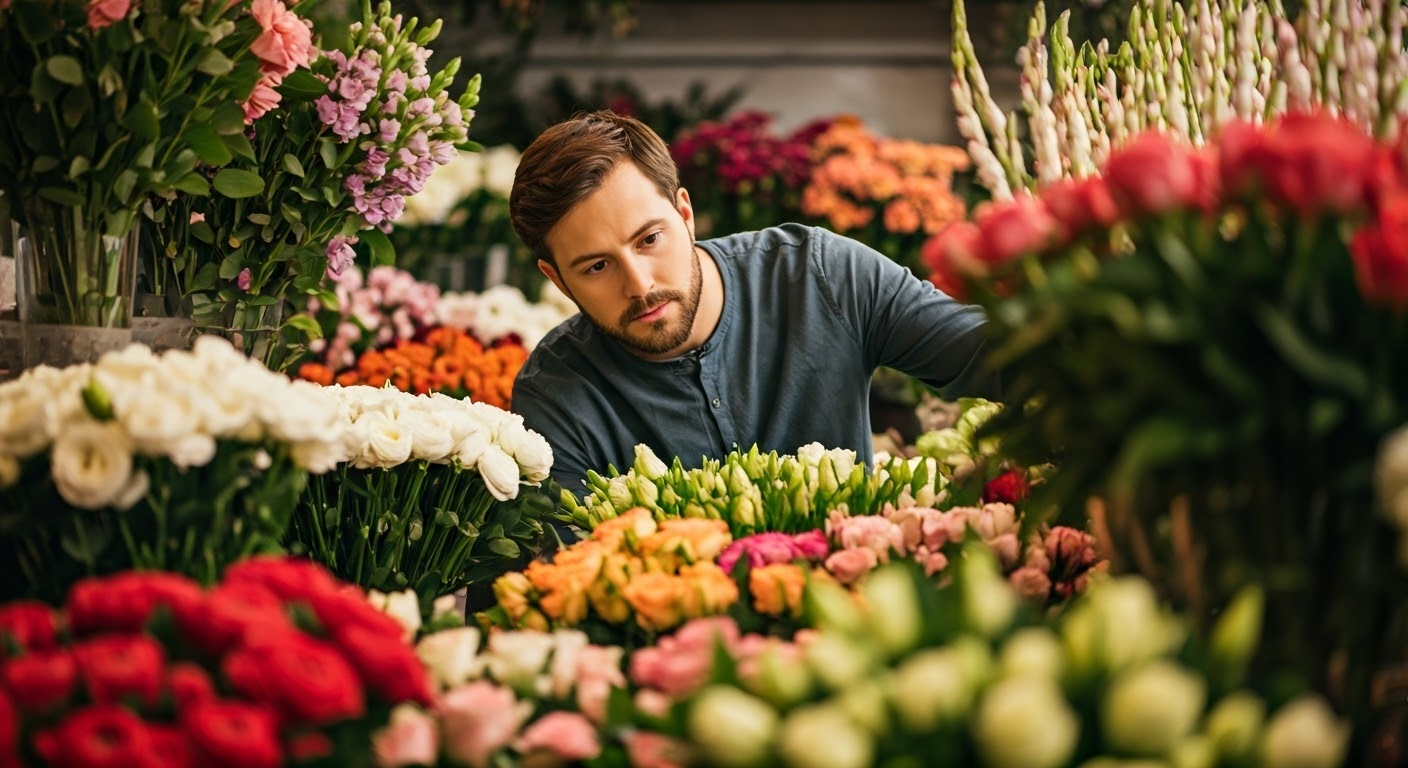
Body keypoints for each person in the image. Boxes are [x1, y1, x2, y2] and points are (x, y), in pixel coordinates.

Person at [509, 110, 992, 495]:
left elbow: (997, 354)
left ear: (685, 214)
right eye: (597, 267)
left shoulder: (821, 275)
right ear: (558, 280)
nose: (638, 284)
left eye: (650, 239)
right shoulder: (556, 398)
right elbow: (545, 594)